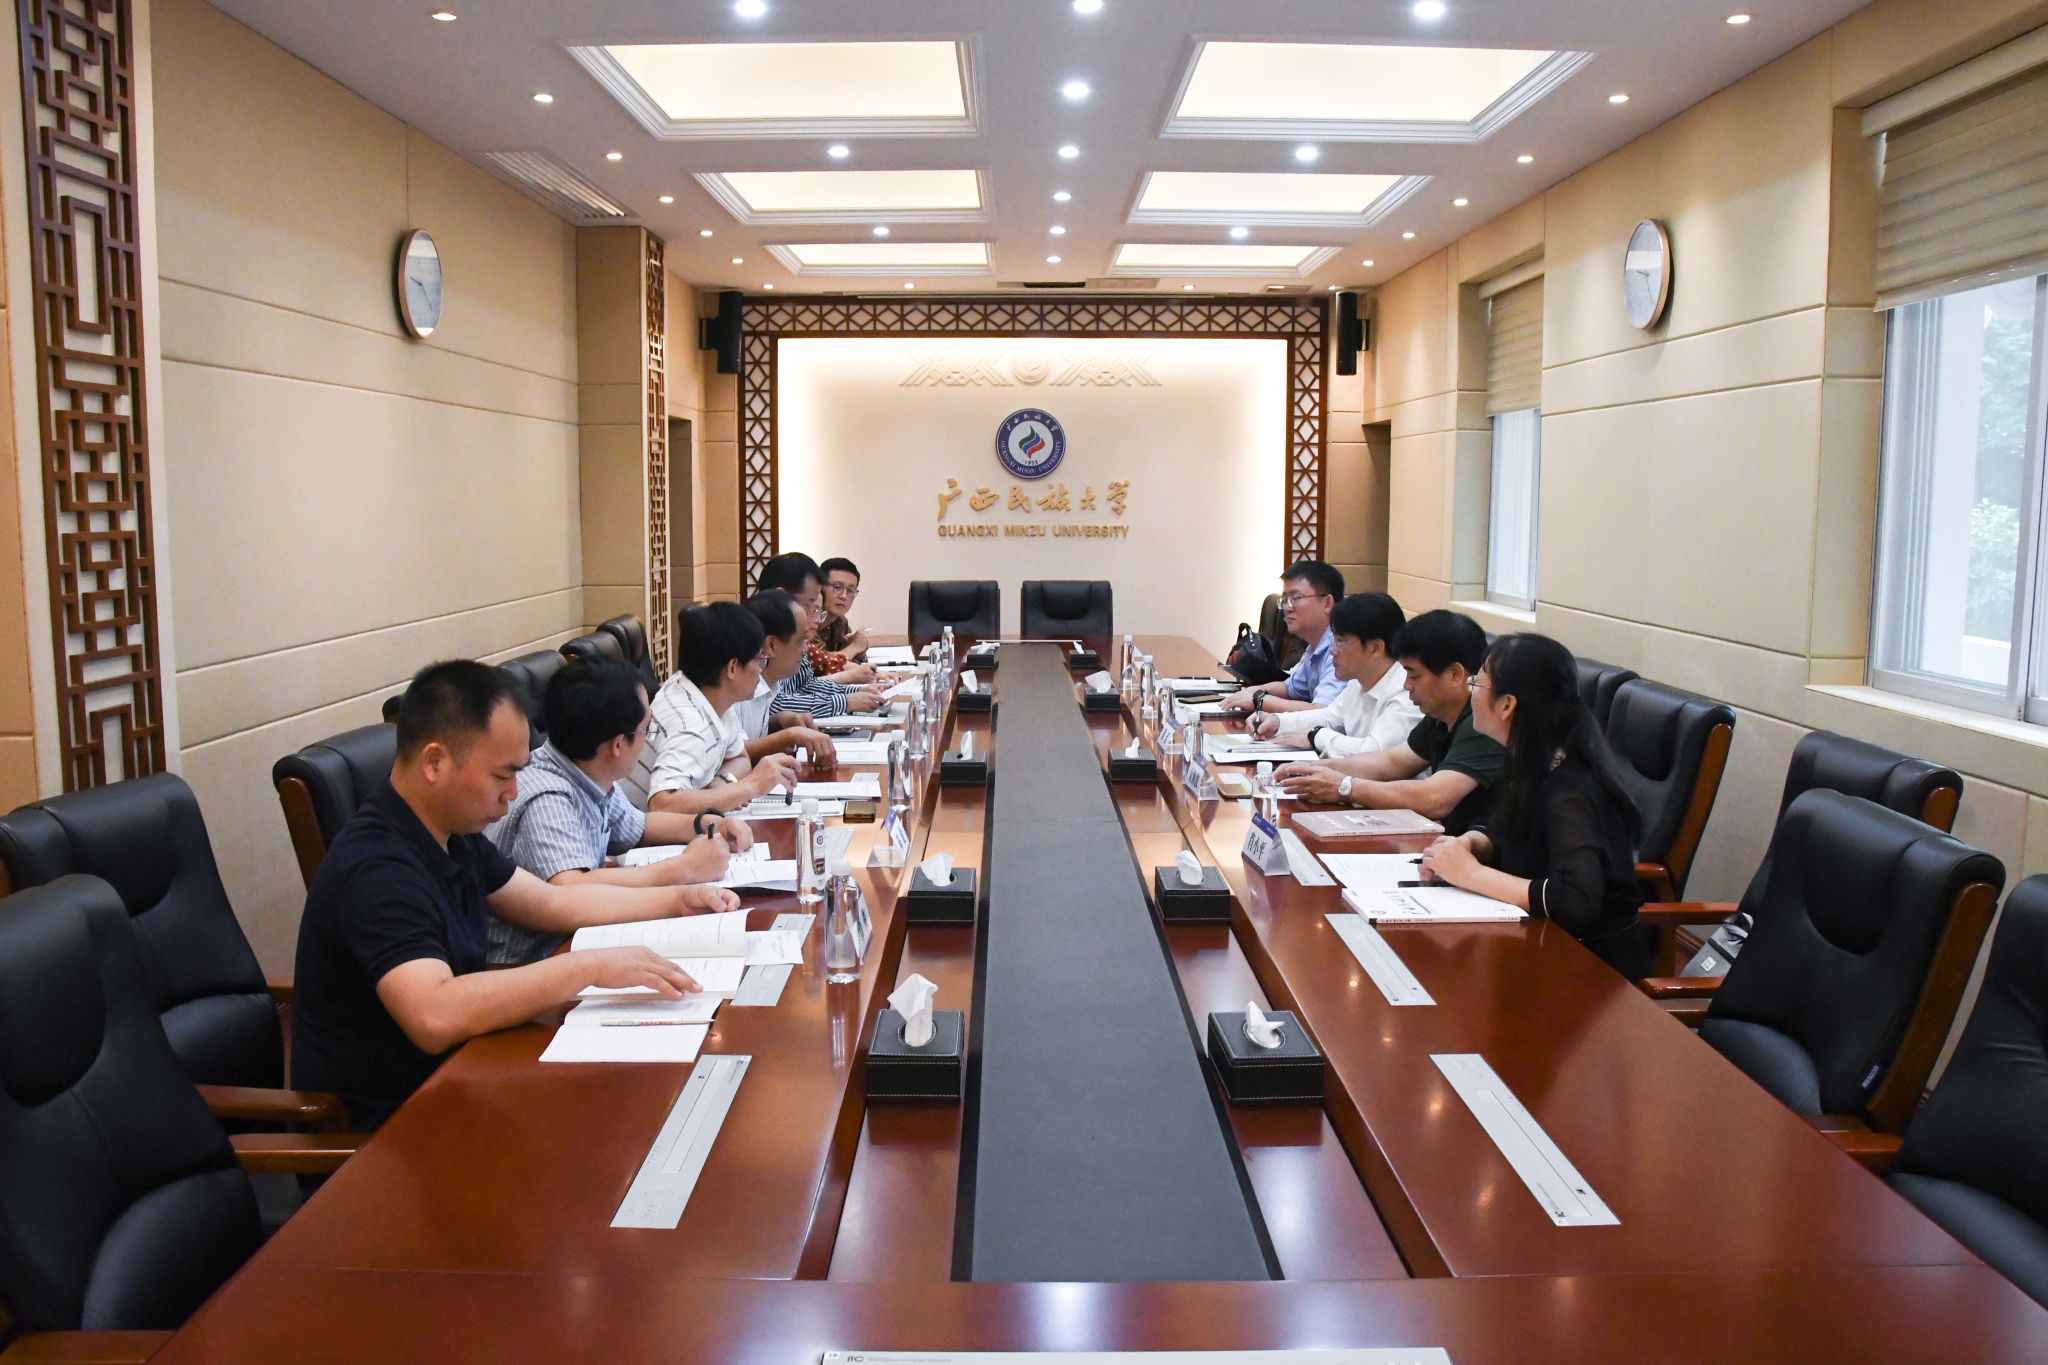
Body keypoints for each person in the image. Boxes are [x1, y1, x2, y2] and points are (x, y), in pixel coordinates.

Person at [291, 661, 731, 1129]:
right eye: (502, 776)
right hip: (397, 1126)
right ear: (435, 762)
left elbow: (552, 902)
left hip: (468, 1071)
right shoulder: (376, 868)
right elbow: (434, 1014)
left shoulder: (452, 835)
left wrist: (678, 900)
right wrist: (587, 968)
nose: (513, 793)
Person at [484, 658, 758, 966]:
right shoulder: (548, 797)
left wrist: (706, 823)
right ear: (617, 745)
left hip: (575, 939)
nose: (648, 741)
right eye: (645, 730)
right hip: (530, 960)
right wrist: (684, 869)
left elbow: (638, 826)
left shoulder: (586, 771)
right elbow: (570, 889)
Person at [1417, 633, 1649, 978]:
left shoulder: (1571, 792)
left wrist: (1472, 874)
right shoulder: (1534, 759)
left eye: (1477, 682)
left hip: (1589, 972)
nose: (1470, 691)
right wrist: (1471, 843)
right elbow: (1505, 824)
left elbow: (1576, 900)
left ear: (1506, 705)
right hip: (1536, 944)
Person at [1277, 609, 1504, 834]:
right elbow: (1391, 762)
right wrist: (1314, 769)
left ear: (1455, 675)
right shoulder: (1440, 716)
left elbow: (1434, 798)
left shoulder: (1483, 722)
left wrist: (1344, 787)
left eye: (1414, 676)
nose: (1406, 685)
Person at [630, 601, 798, 815]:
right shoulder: (689, 726)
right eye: (760, 660)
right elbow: (662, 804)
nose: (761, 670)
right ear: (733, 668)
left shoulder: (711, 697)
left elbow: (740, 757)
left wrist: (721, 786)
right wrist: (750, 787)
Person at [1248, 592, 1420, 757]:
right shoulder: (1359, 681)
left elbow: (1375, 753)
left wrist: (1316, 737)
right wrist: (1277, 721)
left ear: (1376, 648)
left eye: (1341, 641)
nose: (1332, 650)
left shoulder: (1406, 692)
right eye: (1333, 640)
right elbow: (1329, 718)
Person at [756, 551, 885, 713]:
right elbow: (771, 705)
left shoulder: (796, 637)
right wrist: (845, 702)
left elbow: (805, 686)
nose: (816, 618)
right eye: (810, 605)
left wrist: (859, 691)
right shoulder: (757, 642)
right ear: (782, 598)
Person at [1221, 560, 1346, 714]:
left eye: (1296, 598)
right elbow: (1289, 688)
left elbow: (1322, 712)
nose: (1287, 608)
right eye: (1285, 600)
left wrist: (1259, 700)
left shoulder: (1341, 648)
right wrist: (1254, 691)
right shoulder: (1315, 645)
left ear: (1327, 603)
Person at [732, 589, 840, 765]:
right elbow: (733, 753)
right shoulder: (735, 687)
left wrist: (778, 721)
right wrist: (790, 735)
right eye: (801, 641)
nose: (806, 649)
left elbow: (748, 733)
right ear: (771, 645)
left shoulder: (768, 684)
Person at [816, 556, 871, 662]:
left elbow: (846, 663)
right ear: (820, 588)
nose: (844, 596)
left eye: (851, 590)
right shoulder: (809, 621)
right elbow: (818, 663)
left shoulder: (841, 622)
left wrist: (858, 653)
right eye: (837, 587)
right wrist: (854, 647)